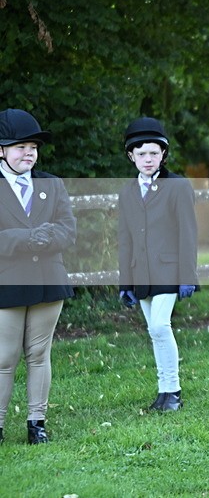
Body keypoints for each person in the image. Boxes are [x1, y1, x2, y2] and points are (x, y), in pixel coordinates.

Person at [0, 108, 76, 444]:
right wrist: (27, 238)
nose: (28, 153)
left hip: (48, 279)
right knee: (5, 357)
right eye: (20, 147)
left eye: (33, 147)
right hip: (8, 280)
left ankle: (36, 422)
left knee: (38, 353)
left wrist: (47, 237)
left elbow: (68, 231)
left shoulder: (52, 183)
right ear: (1, 150)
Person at [117, 117, 198, 412]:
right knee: (153, 330)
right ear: (131, 156)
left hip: (169, 269)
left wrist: (188, 276)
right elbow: (124, 239)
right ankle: (164, 392)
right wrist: (125, 282)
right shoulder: (127, 191)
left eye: (153, 153)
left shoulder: (177, 186)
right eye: (141, 154)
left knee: (161, 327)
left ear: (163, 154)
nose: (147, 159)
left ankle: (173, 391)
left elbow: (188, 234)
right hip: (141, 272)